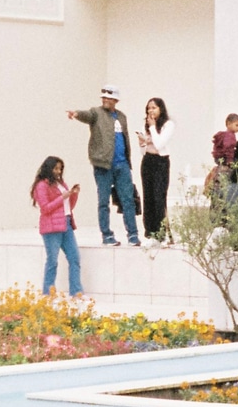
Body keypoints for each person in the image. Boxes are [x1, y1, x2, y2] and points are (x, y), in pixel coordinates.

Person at [66, 87, 141, 247]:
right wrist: (76, 114)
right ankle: (107, 235)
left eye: (109, 98)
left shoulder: (122, 117)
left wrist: (128, 161)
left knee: (128, 200)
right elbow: (87, 115)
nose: (105, 100)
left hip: (123, 165)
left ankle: (133, 235)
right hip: (102, 165)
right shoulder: (96, 113)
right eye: (104, 98)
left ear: (115, 100)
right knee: (103, 201)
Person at [32, 156, 82, 296]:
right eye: (56, 168)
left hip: (66, 224)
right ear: (49, 168)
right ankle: (48, 292)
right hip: (51, 228)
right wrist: (63, 197)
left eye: (60, 169)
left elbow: (68, 206)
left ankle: (76, 292)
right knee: (52, 261)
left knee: (74, 258)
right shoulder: (42, 185)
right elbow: (45, 208)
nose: (58, 171)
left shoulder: (61, 183)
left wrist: (73, 194)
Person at [137, 97, 174, 245]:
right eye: (148, 108)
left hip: (161, 162)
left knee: (159, 197)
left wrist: (152, 127)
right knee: (148, 196)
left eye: (154, 108)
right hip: (148, 161)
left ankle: (162, 234)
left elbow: (159, 144)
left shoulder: (168, 125)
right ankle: (150, 233)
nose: (151, 111)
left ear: (161, 109)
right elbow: (143, 150)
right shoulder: (144, 125)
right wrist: (141, 143)